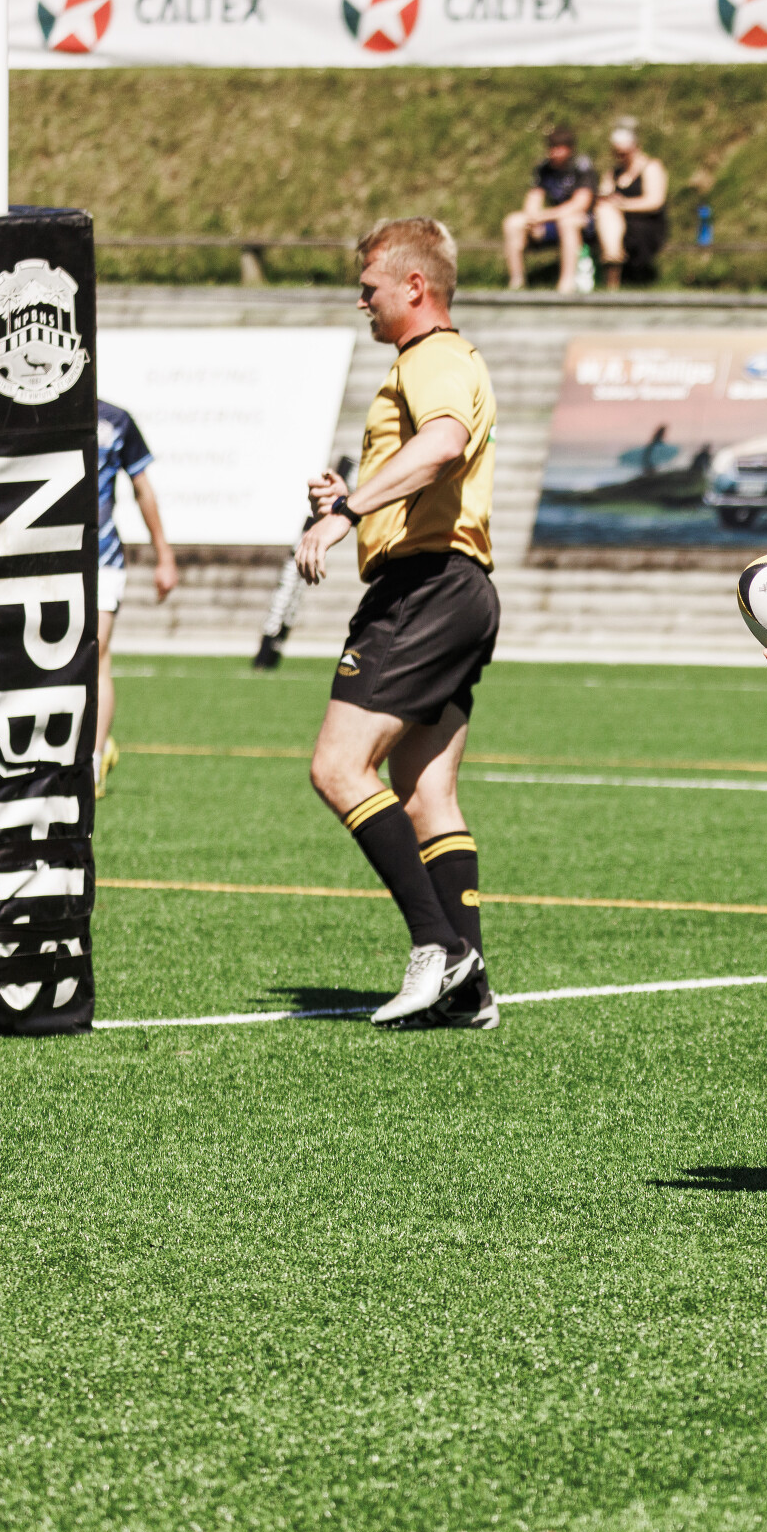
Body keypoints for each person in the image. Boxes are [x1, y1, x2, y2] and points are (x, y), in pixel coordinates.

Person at [297, 217, 501, 1030]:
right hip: (461, 587)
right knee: (425, 789)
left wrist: (348, 509)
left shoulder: (431, 357)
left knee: (338, 767)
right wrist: (354, 493)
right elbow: (429, 458)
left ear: (415, 286)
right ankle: (469, 990)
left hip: (424, 587)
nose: (362, 302)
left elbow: (444, 443)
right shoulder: (442, 359)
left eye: (370, 287)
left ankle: (437, 945)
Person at [90, 400, 179, 798]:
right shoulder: (33, 410)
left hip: (102, 556)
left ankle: (93, 762)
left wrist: (164, 555)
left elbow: (143, 488)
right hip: (46, 559)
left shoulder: (115, 420)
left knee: (95, 653)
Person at [500, 127, 596, 293]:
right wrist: (532, 219)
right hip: (553, 220)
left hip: (581, 221)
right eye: (551, 147)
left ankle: (566, 284)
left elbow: (580, 204)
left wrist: (544, 217)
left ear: (570, 149)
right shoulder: (544, 168)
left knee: (567, 223)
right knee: (513, 222)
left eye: (558, 148)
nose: (554, 153)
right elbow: (534, 197)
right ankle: (517, 282)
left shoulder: (581, 166)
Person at [593, 118, 670, 290]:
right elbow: (604, 194)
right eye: (617, 153)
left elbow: (655, 202)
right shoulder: (613, 172)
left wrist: (623, 205)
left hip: (646, 225)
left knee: (608, 215)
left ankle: (612, 269)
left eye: (624, 153)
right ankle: (612, 258)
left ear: (635, 147)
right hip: (616, 224)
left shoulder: (651, 167)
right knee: (605, 211)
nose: (620, 157)